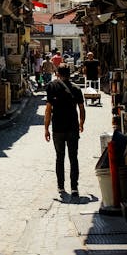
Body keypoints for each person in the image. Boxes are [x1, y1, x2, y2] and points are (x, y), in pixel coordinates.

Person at [44, 64, 86, 198]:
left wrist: (46, 128)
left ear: (57, 73)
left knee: (59, 158)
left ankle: (61, 187)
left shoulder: (51, 86)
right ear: (70, 74)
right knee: (73, 158)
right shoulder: (76, 89)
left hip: (57, 128)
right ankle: (74, 188)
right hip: (72, 127)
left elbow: (48, 109)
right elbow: (81, 108)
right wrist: (81, 123)